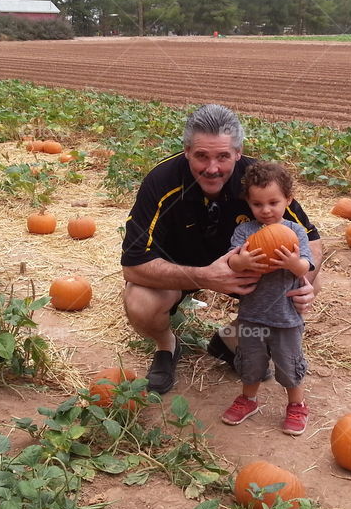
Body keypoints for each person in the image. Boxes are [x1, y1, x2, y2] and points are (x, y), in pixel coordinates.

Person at [120, 104, 322, 394]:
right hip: (180, 269)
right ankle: (167, 346)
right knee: (140, 301)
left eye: (223, 156)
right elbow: (133, 263)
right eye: (201, 156)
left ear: (238, 153)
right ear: (187, 150)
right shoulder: (162, 181)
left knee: (309, 277)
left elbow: (312, 240)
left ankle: (230, 338)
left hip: (247, 270)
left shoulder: (258, 182)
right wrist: (204, 277)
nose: (212, 168)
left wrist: (306, 283)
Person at [220, 161, 313, 435]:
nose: (266, 210)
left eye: (274, 202)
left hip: (286, 317)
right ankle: (248, 399)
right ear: (248, 203)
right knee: (251, 362)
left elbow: (306, 266)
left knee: (288, 363)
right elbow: (231, 263)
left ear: (288, 200)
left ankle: (296, 404)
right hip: (251, 314)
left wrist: (292, 263)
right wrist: (242, 260)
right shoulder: (245, 233)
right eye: (258, 204)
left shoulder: (295, 233)